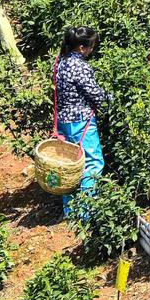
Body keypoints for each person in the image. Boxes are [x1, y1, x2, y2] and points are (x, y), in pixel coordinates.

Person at [52, 28, 109, 216]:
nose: (92, 50)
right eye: (91, 46)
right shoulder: (79, 66)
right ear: (82, 47)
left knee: (71, 165)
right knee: (92, 163)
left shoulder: (61, 62)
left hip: (64, 121)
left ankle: (71, 211)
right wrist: (109, 99)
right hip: (80, 121)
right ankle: (87, 213)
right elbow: (94, 94)